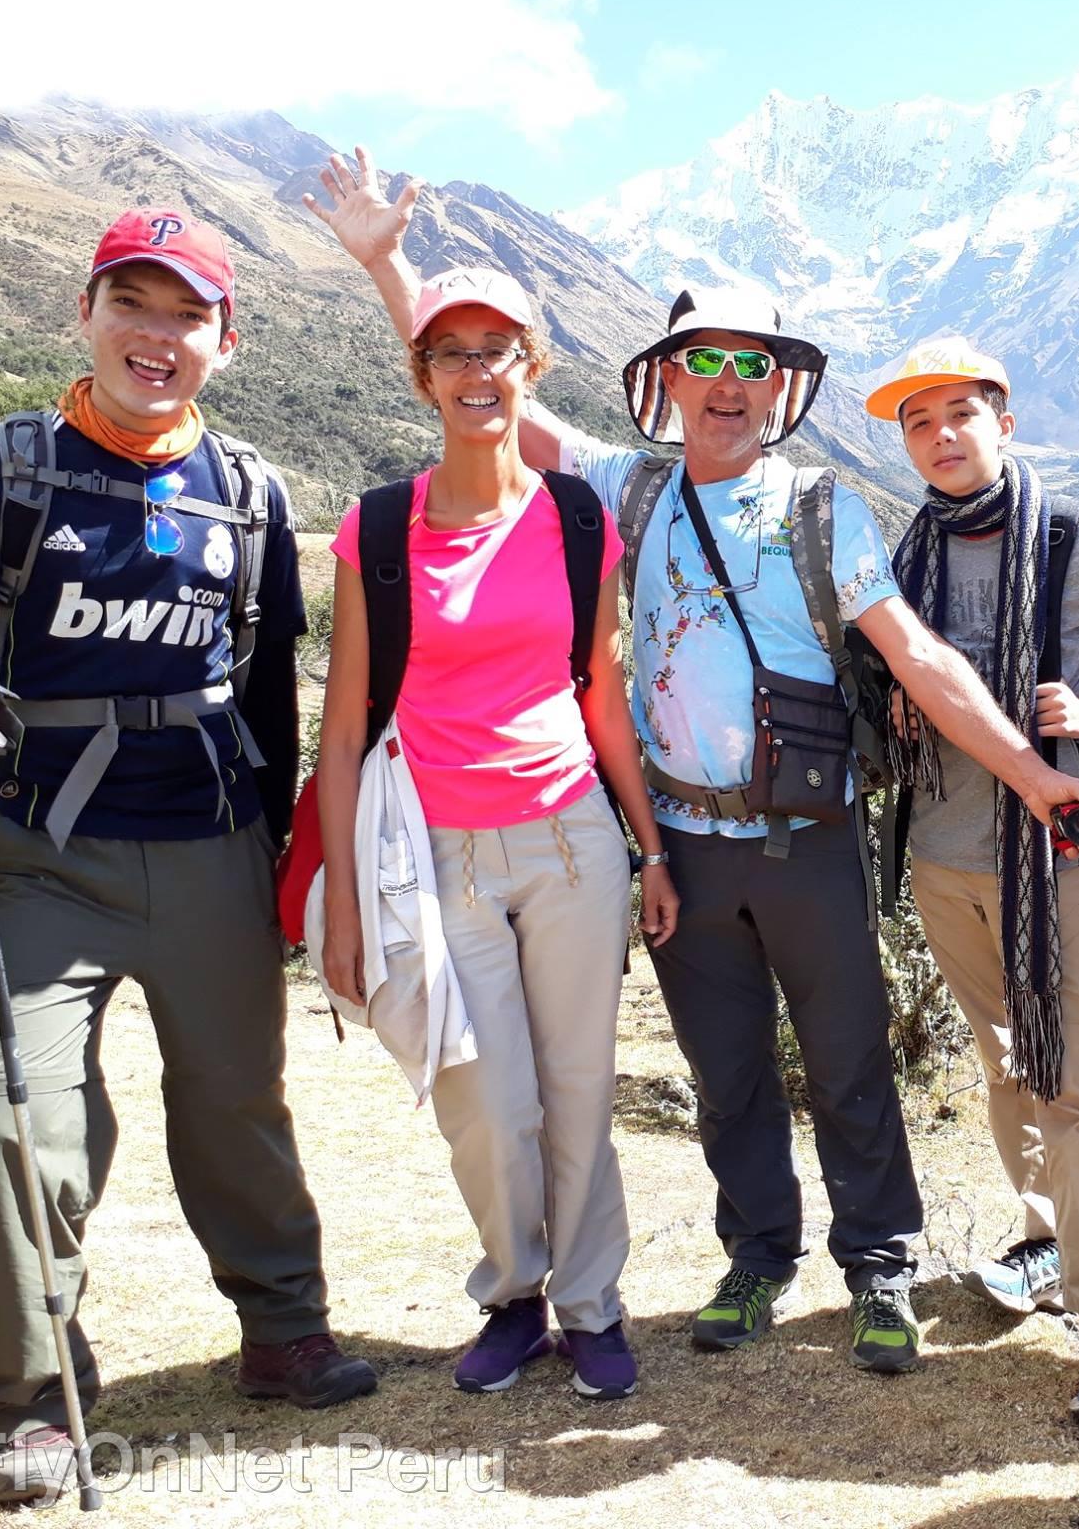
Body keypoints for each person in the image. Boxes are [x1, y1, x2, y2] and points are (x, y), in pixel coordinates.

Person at [305, 149, 1079, 1373]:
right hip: (681, 837)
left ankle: (878, 1263)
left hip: (806, 839)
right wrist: (383, 261)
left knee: (845, 1063)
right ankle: (757, 1254)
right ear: (666, 379)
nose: (726, 385)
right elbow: (479, 382)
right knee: (725, 1074)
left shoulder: (824, 510)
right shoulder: (628, 491)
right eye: (703, 362)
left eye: (752, 364)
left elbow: (927, 662)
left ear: (779, 388)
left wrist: (1036, 776)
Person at [0, 209, 374, 1505]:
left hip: (212, 851)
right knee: (13, 1121)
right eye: (133, 306)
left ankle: (282, 1330)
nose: (157, 338)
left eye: (187, 315)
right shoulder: (6, 472)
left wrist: (286, 867)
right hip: (43, 857)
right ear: (86, 314)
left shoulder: (253, 495)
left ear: (227, 336)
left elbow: (270, 701)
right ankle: (30, 1399)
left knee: (237, 1106)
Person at [316, 266, 679, 1400]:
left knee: (578, 1089)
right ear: (422, 375)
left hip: (571, 843)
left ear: (534, 365)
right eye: (452, 353)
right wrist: (337, 905)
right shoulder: (376, 528)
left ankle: (590, 1305)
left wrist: (649, 846)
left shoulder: (578, 521)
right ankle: (513, 1294)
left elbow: (602, 699)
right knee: (484, 1102)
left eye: (497, 349)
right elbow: (338, 735)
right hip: (437, 859)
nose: (478, 372)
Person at [864, 337, 1079, 1435]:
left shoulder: (1077, 538)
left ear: (1002, 420)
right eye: (919, 421)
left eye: (961, 413)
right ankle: (1046, 1235)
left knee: (1072, 1082)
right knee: (1002, 1058)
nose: (942, 436)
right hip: (939, 851)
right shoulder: (906, 551)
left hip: (1041, 856)